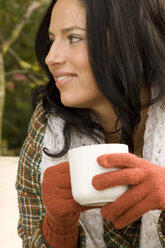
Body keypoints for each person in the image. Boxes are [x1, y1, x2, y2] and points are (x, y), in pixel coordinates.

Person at [16, 0, 165, 247]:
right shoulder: (48, 129)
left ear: (129, 39)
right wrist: (58, 227)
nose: (51, 57)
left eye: (74, 37)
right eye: (52, 39)